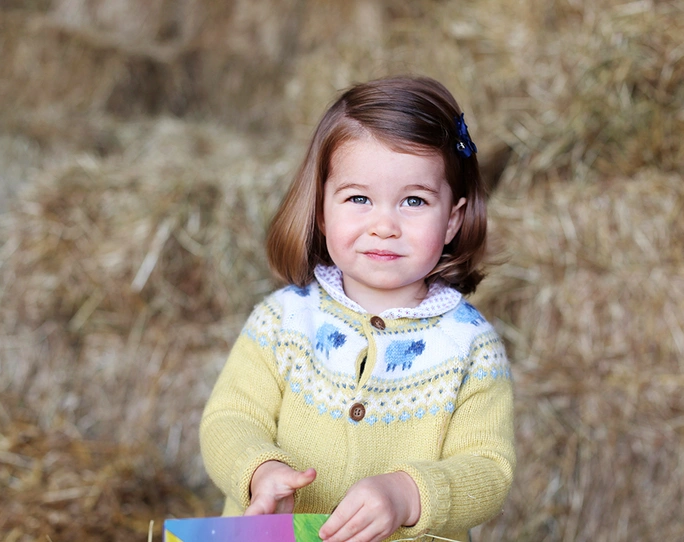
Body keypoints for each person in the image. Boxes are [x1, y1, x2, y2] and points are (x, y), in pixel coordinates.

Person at [200, 75, 515, 542]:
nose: (384, 225)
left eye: (414, 200)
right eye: (359, 198)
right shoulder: (283, 320)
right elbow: (230, 418)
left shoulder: (470, 347)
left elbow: (489, 468)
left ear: (452, 219)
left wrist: (407, 493)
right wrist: (259, 470)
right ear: (323, 211)